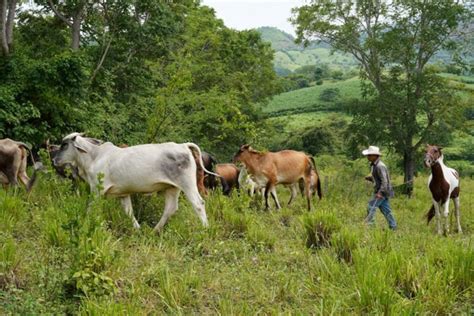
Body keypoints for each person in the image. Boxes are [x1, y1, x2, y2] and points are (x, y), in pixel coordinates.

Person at [362, 146, 397, 230]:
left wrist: (380, 193)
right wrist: (371, 179)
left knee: (371, 206)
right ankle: (393, 227)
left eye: (370, 155)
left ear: (375, 155)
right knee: (386, 210)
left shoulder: (380, 166)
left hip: (382, 191)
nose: (368, 157)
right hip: (384, 191)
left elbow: (384, 181)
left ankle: (371, 227)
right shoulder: (375, 165)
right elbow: (380, 179)